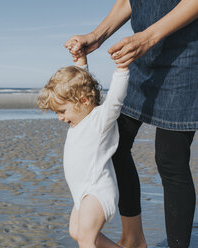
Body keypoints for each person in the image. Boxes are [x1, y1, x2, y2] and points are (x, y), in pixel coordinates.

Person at [64, 0, 198, 247]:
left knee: (170, 159)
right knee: (114, 144)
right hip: (143, 54)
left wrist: (148, 37)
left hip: (187, 54)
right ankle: (134, 238)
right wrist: (97, 35)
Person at [37, 52, 129, 247]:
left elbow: (115, 100)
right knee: (76, 232)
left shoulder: (100, 120)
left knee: (86, 239)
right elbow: (80, 83)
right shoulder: (78, 121)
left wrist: (121, 69)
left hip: (97, 192)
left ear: (83, 101)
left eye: (62, 111)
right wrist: (81, 63)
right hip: (81, 194)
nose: (60, 118)